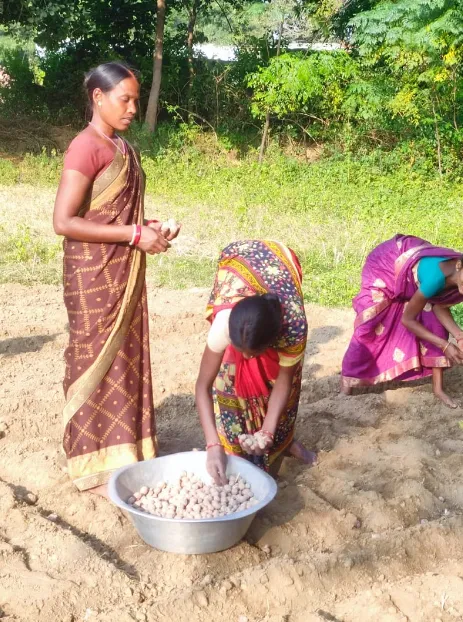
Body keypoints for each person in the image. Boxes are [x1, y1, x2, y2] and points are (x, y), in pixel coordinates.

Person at [53, 62, 180, 495]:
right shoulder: (85, 147)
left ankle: (126, 452)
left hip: (123, 270)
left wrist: (152, 228)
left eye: (135, 100)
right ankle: (89, 455)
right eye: (123, 99)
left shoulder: (122, 147)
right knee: (93, 357)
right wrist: (133, 233)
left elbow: (116, 213)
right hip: (92, 276)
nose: (131, 108)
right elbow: (65, 221)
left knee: (126, 356)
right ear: (97, 98)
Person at [195, 239, 317, 485]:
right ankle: (233, 448)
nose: (247, 359)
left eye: (253, 353)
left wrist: (268, 432)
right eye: (241, 350)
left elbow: (284, 383)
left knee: (285, 392)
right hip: (240, 263)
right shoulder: (224, 327)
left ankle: (284, 443)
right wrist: (212, 445)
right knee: (228, 381)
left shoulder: (293, 328)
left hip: (279, 264)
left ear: (274, 341)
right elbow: (202, 386)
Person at [341, 234, 463, 408]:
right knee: (370, 321)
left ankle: (438, 389)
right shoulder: (435, 278)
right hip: (386, 265)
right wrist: (444, 345)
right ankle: (347, 384)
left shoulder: (456, 279)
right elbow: (408, 320)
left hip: (416, 277)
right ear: (459, 265)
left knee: (432, 320)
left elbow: (438, 306)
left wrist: (459, 336)